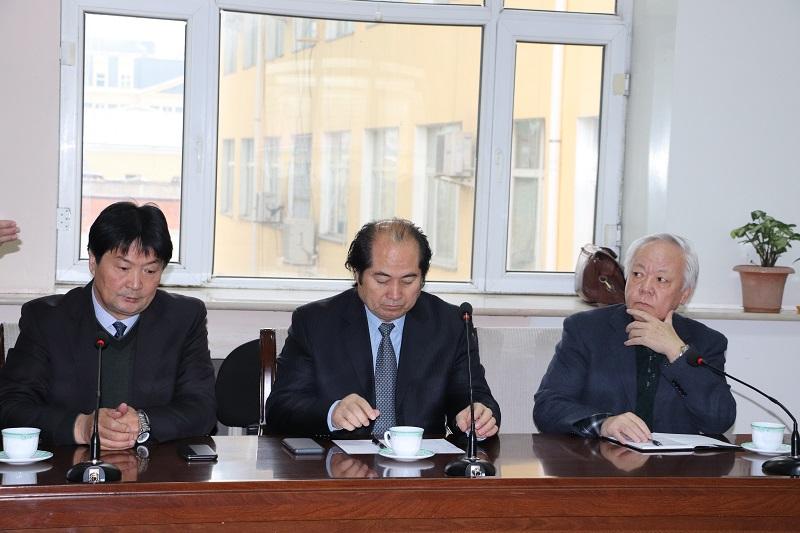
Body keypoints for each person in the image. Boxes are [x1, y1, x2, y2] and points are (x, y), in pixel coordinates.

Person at [0, 202, 216, 449]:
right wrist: (79, 427)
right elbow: (11, 406)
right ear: (93, 261)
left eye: (150, 271)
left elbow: (202, 408)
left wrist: (143, 423)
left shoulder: (184, 318)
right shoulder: (48, 319)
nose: (135, 284)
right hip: (68, 468)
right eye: (123, 268)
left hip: (153, 467)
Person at [264, 218, 500, 439]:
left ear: (422, 278)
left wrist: (477, 416)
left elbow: (474, 396)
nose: (395, 294)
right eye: (382, 280)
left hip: (422, 464)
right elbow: (281, 408)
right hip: (338, 463)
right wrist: (332, 413)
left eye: (408, 280)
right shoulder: (315, 323)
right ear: (357, 274)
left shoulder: (451, 324)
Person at [533, 233, 735, 442]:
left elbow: (719, 420)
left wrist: (677, 352)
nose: (645, 288)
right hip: (602, 458)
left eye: (661, 279)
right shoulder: (586, 330)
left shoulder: (706, 342)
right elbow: (548, 406)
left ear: (684, 294)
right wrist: (604, 424)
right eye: (638, 274)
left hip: (674, 461)